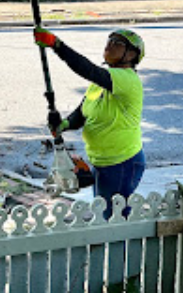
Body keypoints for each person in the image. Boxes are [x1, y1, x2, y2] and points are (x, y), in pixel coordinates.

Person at [34, 27, 145, 217]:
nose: (110, 45)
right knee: (103, 213)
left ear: (131, 55)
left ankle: (121, 238)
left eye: (118, 43)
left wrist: (56, 45)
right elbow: (82, 112)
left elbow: (88, 70)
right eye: (109, 40)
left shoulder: (127, 79)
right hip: (102, 162)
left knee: (115, 218)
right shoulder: (101, 83)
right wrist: (63, 125)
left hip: (122, 163)